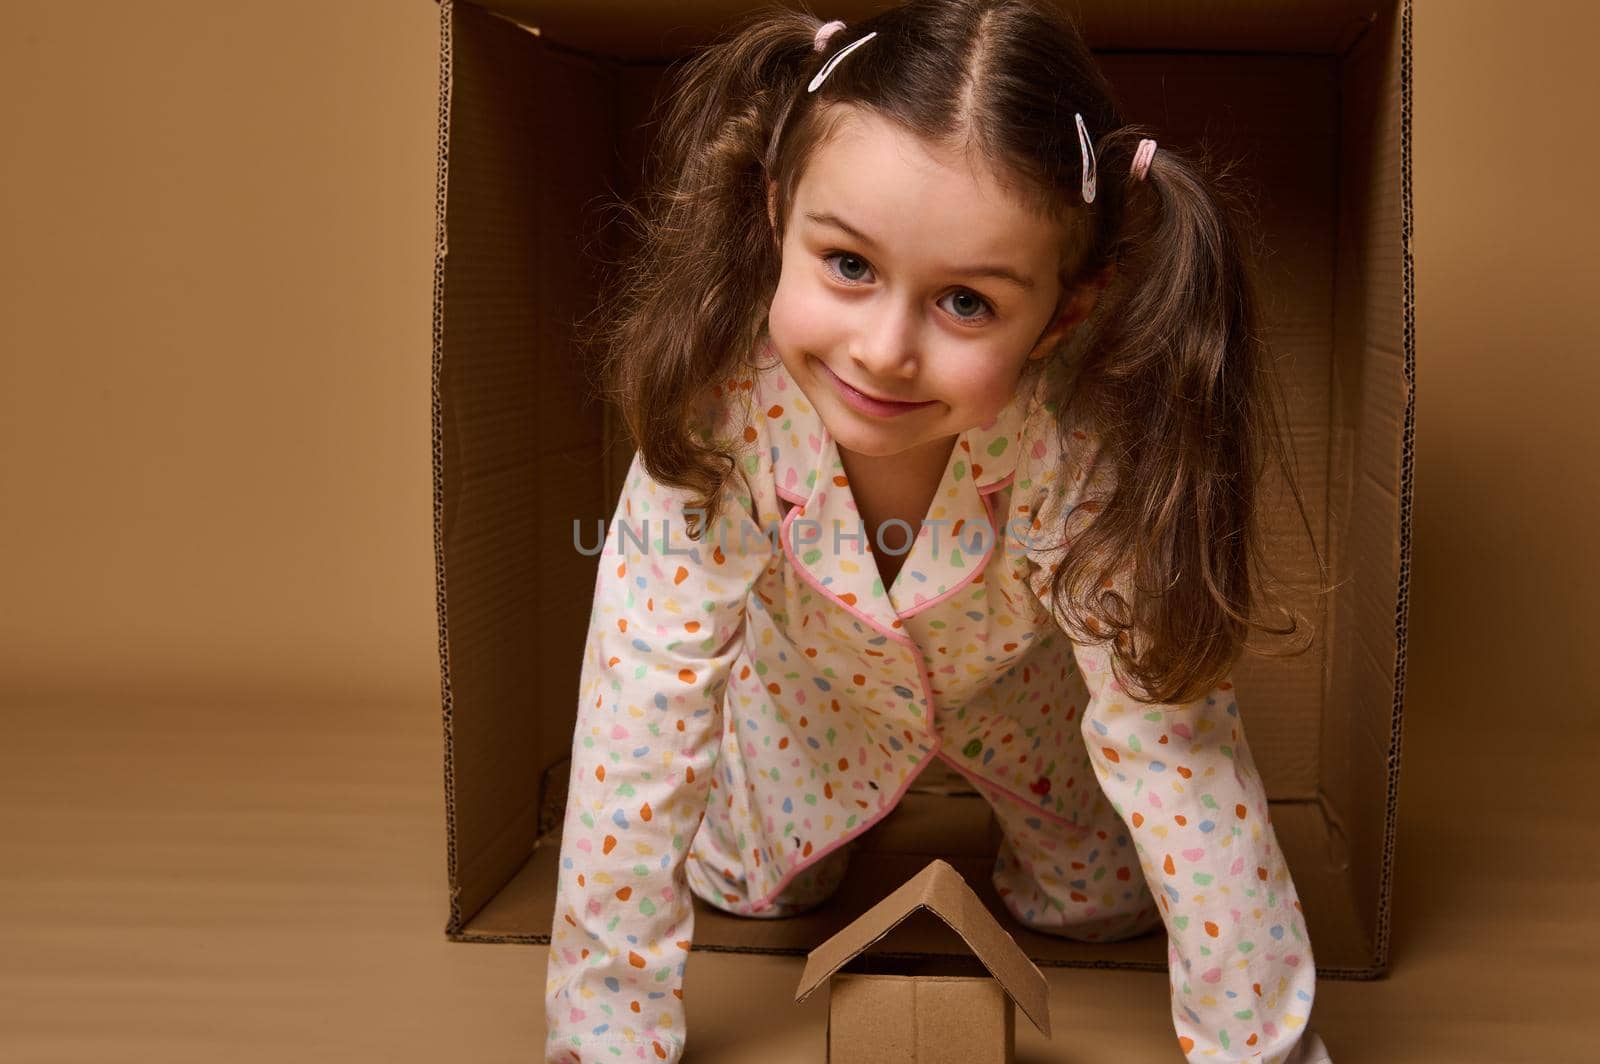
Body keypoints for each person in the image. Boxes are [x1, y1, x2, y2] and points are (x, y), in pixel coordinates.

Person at [544, 2, 1335, 1061]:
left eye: (965, 301)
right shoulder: (721, 418)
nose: (882, 350)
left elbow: (1174, 742)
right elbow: (639, 698)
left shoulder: (1077, 450)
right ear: (779, 210)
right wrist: (602, 1039)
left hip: (1025, 711)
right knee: (747, 887)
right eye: (849, 266)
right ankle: (779, 838)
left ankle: (1058, 864)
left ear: (1061, 311)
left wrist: (1263, 1052)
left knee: (1100, 907)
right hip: (801, 716)